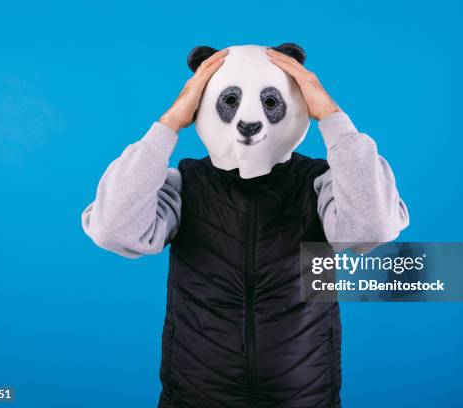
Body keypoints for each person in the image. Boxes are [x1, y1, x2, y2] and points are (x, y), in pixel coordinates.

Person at [82, 45, 409, 407]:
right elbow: (113, 229)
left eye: (271, 102)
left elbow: (371, 226)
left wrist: (332, 118)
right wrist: (168, 123)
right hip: (194, 396)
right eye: (230, 100)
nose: (249, 118)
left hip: (305, 397)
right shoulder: (186, 184)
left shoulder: (321, 184)